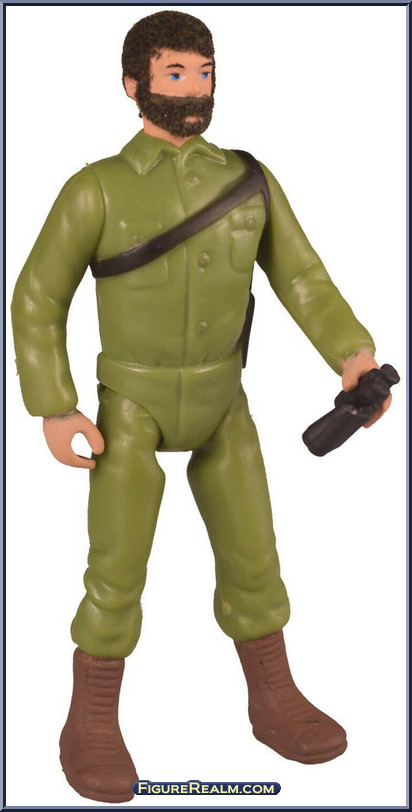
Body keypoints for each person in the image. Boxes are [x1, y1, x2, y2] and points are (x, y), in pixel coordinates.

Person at [11, 10, 392, 805]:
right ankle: (91, 714)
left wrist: (353, 356)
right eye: (176, 73)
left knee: (254, 551)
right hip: (132, 401)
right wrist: (55, 405)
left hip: (223, 398)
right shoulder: (97, 188)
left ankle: (273, 693)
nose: (193, 89)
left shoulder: (247, 180)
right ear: (134, 85)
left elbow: (303, 279)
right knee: (116, 565)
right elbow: (38, 297)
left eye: (204, 72)